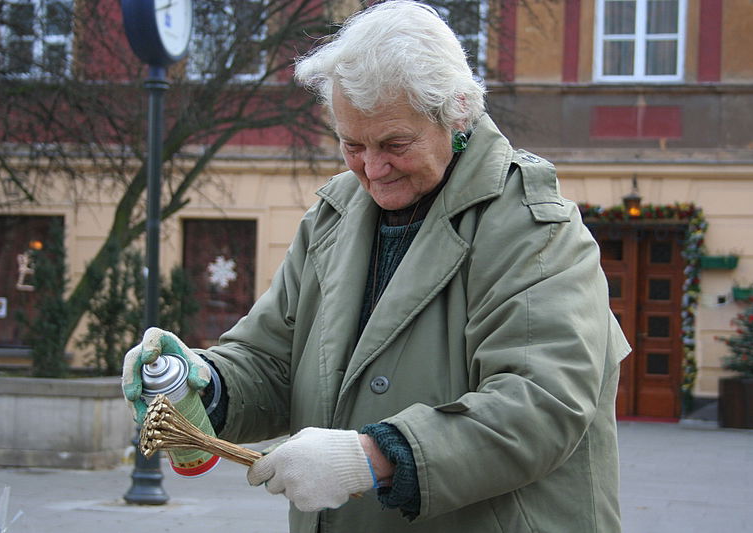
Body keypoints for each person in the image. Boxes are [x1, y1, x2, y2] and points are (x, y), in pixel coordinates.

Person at [122, 1, 631, 531]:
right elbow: (274, 360)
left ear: (456, 116)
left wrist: (374, 457)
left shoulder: (534, 227)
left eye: (395, 144)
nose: (372, 167)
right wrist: (206, 382)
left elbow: (539, 405)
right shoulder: (333, 215)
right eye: (351, 144)